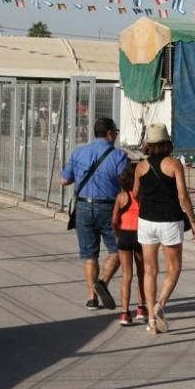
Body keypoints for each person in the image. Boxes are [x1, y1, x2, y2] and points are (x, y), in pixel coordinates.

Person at [133, 124, 195, 334]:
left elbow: (135, 193)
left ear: (149, 144)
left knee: (150, 270)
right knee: (174, 267)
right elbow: (183, 196)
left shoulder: (140, 167)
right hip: (170, 221)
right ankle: (160, 304)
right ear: (167, 142)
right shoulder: (174, 164)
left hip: (146, 221)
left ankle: (151, 321)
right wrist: (193, 219)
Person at [60, 117, 128, 311]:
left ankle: (91, 297)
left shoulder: (78, 153)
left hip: (82, 207)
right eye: (115, 132)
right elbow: (126, 184)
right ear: (109, 134)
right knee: (117, 250)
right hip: (108, 207)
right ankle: (103, 282)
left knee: (89, 255)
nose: (115, 136)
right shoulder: (119, 156)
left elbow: (64, 181)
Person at [111, 164, 147, 326]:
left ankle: (125, 313)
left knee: (127, 275)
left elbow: (114, 220)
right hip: (140, 235)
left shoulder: (121, 196)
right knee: (142, 273)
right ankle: (141, 308)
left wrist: (118, 233)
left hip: (124, 235)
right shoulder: (143, 196)